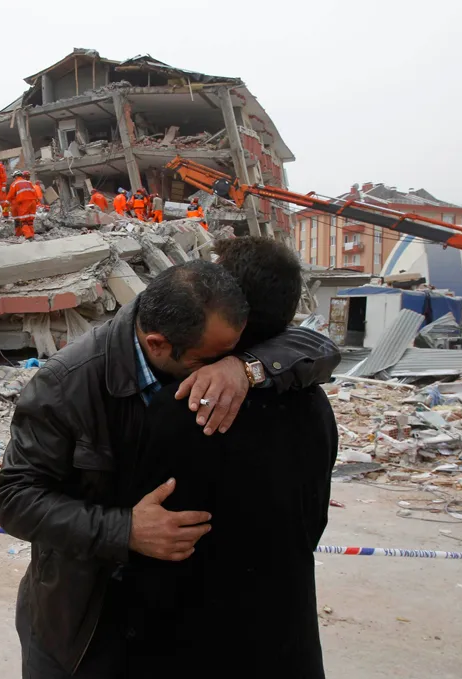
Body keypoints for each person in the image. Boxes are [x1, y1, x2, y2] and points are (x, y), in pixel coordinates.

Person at [0, 259, 340, 679]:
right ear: (157, 344)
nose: (216, 371)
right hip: (82, 616)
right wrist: (125, 529)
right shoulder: (67, 384)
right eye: (209, 359)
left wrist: (246, 368)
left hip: (161, 624)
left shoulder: (204, 336)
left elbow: (314, 346)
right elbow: (14, 499)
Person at [127, 237, 336, 677]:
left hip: (196, 644)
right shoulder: (314, 403)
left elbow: (152, 544)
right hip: (289, 639)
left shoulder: (182, 407)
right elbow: (314, 517)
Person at [7, 170, 37, 239]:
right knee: (30, 220)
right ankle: (32, 234)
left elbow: (10, 195)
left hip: (24, 203)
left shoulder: (15, 184)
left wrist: (6, 204)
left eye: (14, 177)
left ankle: (28, 235)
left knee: (24, 221)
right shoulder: (29, 182)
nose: (14, 179)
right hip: (33, 202)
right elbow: (34, 193)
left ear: (16, 176)